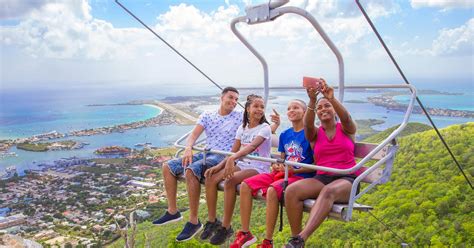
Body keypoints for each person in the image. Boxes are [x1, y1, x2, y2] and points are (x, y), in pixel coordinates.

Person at [151, 87, 242, 242]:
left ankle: (194, 221)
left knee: (191, 171)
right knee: (168, 166)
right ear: (222, 97)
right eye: (231, 97)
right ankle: (173, 211)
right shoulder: (208, 115)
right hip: (206, 153)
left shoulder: (240, 117)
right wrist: (188, 148)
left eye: (236, 100)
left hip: (222, 156)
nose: (233, 102)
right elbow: (194, 134)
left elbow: (259, 124)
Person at [284, 79, 362, 248]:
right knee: (291, 191)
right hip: (322, 177)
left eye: (327, 106)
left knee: (328, 192)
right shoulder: (315, 134)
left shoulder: (346, 129)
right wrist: (312, 101)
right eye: (320, 108)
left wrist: (331, 98)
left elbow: (347, 118)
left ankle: (300, 239)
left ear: (334, 110)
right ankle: (295, 239)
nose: (323, 109)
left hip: (347, 179)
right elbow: (307, 124)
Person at [231, 99, 316, 248]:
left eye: (296, 108)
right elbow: (283, 160)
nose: (291, 110)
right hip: (284, 174)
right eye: (289, 108)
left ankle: (268, 241)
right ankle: (245, 233)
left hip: (301, 176)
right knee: (245, 185)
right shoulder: (285, 135)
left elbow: (316, 165)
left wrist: (293, 170)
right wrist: (278, 165)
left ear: (305, 112)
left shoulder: (310, 134)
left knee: (272, 190)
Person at [204, 94, 273, 245]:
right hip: (243, 164)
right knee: (212, 177)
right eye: (256, 106)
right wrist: (219, 166)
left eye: (262, 107)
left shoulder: (265, 128)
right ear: (248, 109)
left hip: (259, 167)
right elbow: (233, 151)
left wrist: (232, 159)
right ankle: (217, 222)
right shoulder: (242, 128)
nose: (259, 109)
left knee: (230, 181)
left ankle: (226, 226)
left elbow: (252, 146)